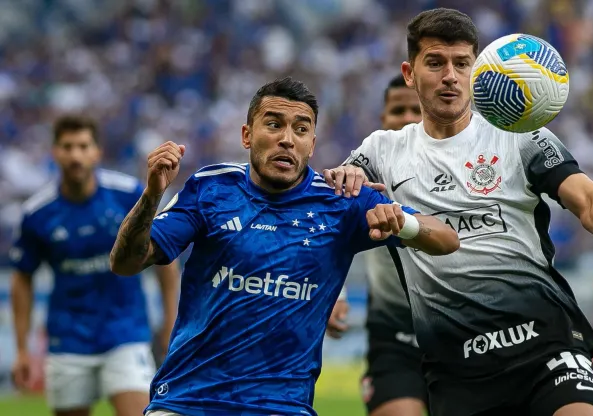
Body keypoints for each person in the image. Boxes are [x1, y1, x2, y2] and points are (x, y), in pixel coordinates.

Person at [323, 8, 593, 416]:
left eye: (462, 64)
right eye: (436, 63)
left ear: (476, 72)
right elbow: (330, 218)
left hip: (544, 347)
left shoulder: (521, 135)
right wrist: (327, 288)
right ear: (409, 73)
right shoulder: (381, 152)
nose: (450, 76)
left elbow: (585, 197)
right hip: (455, 369)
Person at [108, 77, 459, 416]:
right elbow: (125, 263)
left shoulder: (341, 201)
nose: (287, 140)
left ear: (313, 144)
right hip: (186, 400)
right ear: (247, 135)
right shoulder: (210, 188)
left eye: (301, 129)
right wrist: (152, 195)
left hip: (282, 407)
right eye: (274, 125)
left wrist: (403, 221)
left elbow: (446, 238)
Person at [9, 115, 180, 416]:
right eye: (67, 146)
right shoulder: (37, 213)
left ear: (97, 151)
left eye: (83, 146)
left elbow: (164, 261)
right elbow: (23, 278)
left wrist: (170, 323)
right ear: (55, 152)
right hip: (68, 340)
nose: (75, 155)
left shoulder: (128, 194)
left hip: (125, 334)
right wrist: (22, 349)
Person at [326, 74, 427, 416]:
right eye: (398, 110)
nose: (409, 118)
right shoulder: (364, 176)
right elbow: (327, 229)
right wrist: (334, 295)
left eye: (418, 109)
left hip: (464, 331)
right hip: (394, 333)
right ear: (382, 121)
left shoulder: (465, 168)